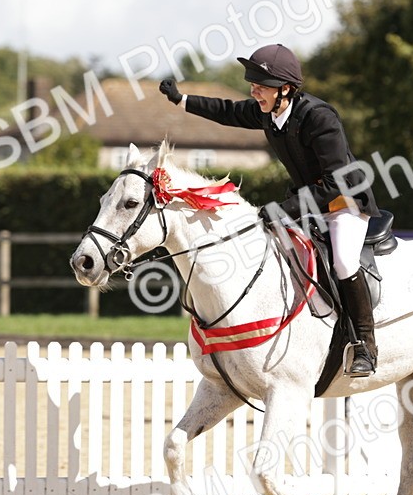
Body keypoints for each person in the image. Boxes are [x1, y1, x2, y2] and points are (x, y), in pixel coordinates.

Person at [159, 44, 380, 376]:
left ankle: (364, 344)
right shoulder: (269, 112)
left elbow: (338, 183)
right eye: (252, 84)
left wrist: (284, 208)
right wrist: (182, 100)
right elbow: (228, 111)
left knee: (343, 261)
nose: (253, 91)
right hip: (307, 205)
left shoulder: (320, 118)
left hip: (343, 202)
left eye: (260, 85)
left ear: (286, 89)